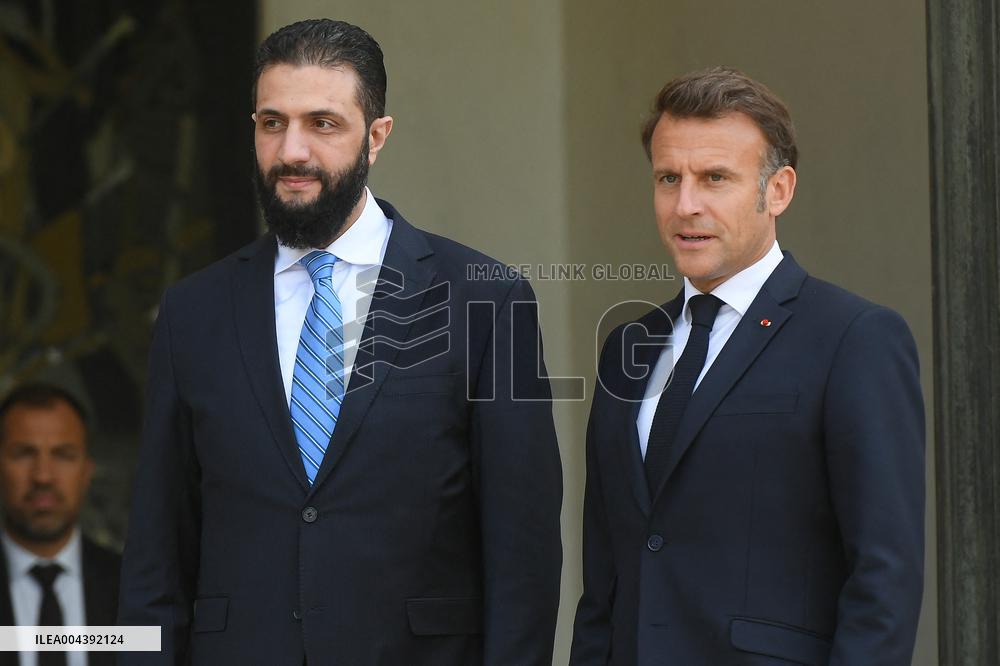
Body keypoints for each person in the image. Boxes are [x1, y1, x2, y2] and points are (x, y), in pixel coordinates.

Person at [116, 18, 562, 666]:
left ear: (376, 137)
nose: (292, 150)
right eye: (272, 123)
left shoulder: (484, 300)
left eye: (322, 124)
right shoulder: (194, 312)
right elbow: (156, 550)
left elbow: (522, 558)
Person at [570, 67, 924, 665]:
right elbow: (604, 577)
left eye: (715, 178)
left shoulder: (854, 339)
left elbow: (884, 578)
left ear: (778, 190)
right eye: (668, 178)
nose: (686, 205)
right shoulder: (628, 347)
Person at [0, 383, 120, 666]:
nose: (43, 476)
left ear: (87, 470)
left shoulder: (135, 590)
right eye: (24, 453)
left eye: (63, 454)